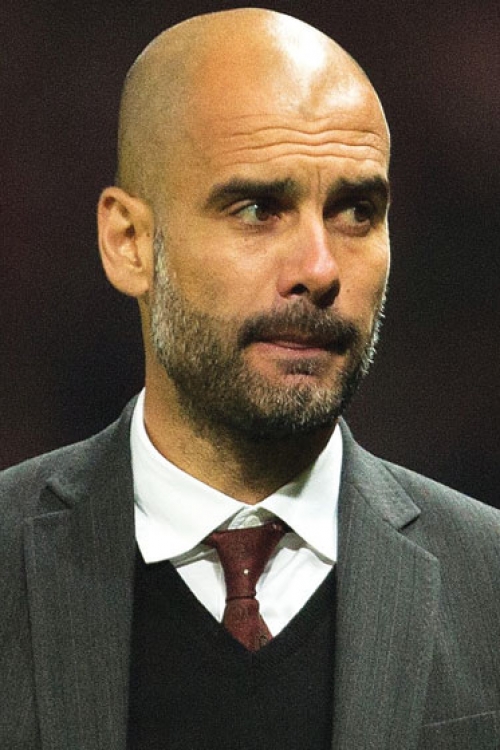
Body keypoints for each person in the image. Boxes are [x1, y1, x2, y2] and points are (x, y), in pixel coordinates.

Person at [1, 8, 499, 750]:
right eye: (259, 209)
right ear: (129, 242)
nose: (320, 270)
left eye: (357, 211)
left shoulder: (490, 586)